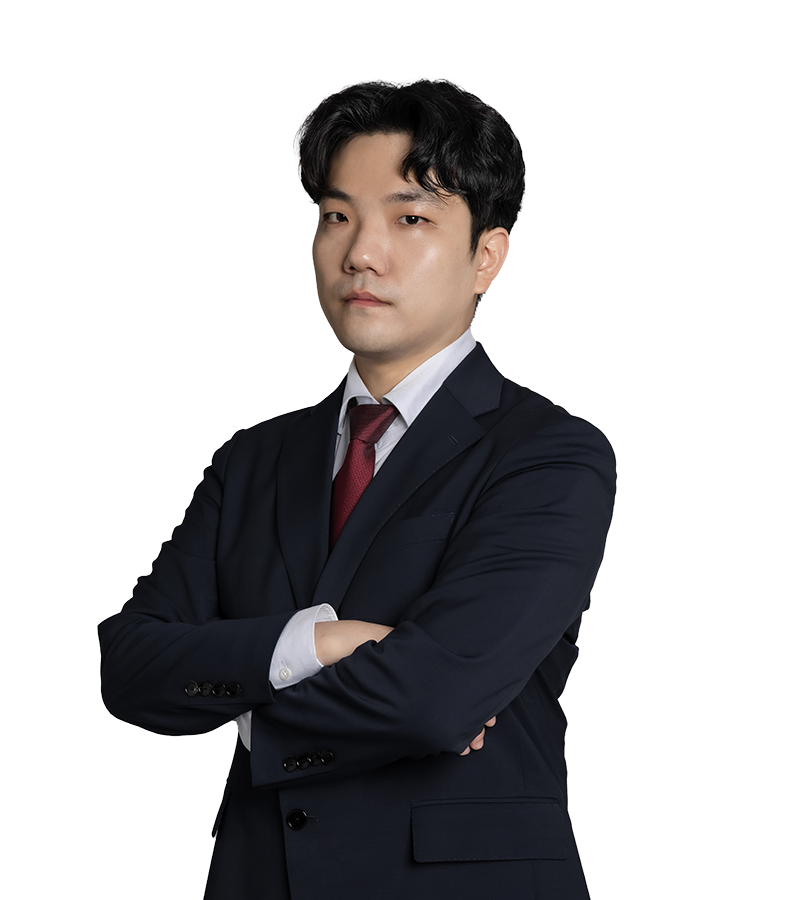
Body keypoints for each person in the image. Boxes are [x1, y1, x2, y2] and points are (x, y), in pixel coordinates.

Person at [98, 77, 616, 900]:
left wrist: (247, 704)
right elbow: (127, 666)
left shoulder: (550, 455)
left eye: (410, 219)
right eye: (337, 216)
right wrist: (319, 643)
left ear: (487, 255)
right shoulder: (253, 459)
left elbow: (436, 700)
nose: (360, 254)